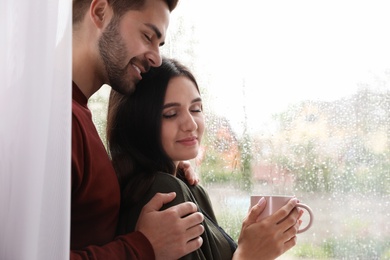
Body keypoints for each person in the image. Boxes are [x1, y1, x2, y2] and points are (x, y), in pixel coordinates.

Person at [106, 58, 302, 259]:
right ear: (139, 122)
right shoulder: (164, 191)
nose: (191, 124)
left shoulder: (189, 187)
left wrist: (252, 242)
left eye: (196, 109)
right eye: (171, 114)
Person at [71, 0, 205, 259]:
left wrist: (164, 163)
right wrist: (142, 246)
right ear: (100, 12)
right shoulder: (57, 120)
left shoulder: (78, 118)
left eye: (159, 44)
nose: (156, 59)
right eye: (148, 36)